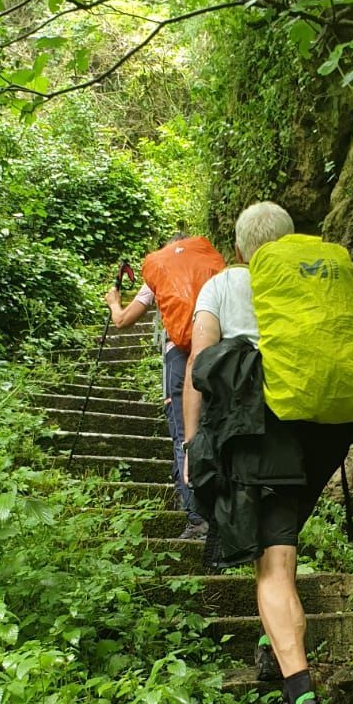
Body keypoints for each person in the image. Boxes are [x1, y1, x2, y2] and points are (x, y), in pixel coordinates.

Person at [182, 201, 353, 704]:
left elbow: (198, 366)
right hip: (327, 431)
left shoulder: (225, 284)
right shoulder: (322, 282)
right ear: (292, 240)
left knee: (272, 564)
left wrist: (191, 444)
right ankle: (275, 648)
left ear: (241, 248)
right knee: (283, 546)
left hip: (265, 428)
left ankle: (301, 702)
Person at [105, 232, 223, 541]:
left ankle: (198, 520)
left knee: (184, 435)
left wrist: (114, 303)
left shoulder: (159, 271)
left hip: (179, 359)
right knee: (214, 429)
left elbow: (122, 321)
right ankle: (221, 516)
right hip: (217, 355)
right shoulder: (210, 267)